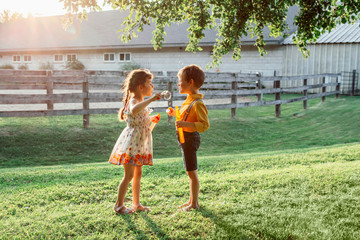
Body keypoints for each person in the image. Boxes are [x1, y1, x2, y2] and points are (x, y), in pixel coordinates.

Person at [109, 69, 162, 214]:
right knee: (129, 176)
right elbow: (133, 111)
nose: (152, 87)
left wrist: (152, 121)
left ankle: (136, 204)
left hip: (139, 145)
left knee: (138, 174)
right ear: (140, 86)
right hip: (132, 145)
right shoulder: (134, 101)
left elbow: (142, 125)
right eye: (150, 83)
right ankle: (119, 206)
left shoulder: (140, 103)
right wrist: (151, 100)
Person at [167, 64, 210, 211]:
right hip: (184, 139)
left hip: (191, 138)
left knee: (192, 172)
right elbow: (185, 116)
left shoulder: (197, 103)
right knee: (189, 171)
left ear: (190, 82)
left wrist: (185, 123)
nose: (178, 83)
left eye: (180, 80)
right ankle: (192, 200)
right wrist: (175, 114)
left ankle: (194, 204)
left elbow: (204, 125)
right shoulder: (189, 100)